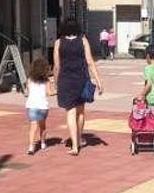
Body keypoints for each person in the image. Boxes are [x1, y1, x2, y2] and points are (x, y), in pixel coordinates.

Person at [54, 19, 103, 156]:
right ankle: (80, 138)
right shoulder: (83, 40)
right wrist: (99, 81)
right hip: (81, 79)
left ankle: (75, 146)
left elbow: (57, 66)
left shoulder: (58, 43)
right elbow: (90, 62)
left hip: (65, 81)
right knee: (80, 112)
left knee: (70, 112)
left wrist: (55, 83)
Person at [25, 56, 53, 155]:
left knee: (33, 126)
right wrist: (57, 91)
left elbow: (27, 93)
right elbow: (50, 93)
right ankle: (43, 143)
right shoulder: (47, 81)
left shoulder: (29, 80)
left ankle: (31, 146)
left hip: (31, 105)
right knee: (42, 126)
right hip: (43, 106)